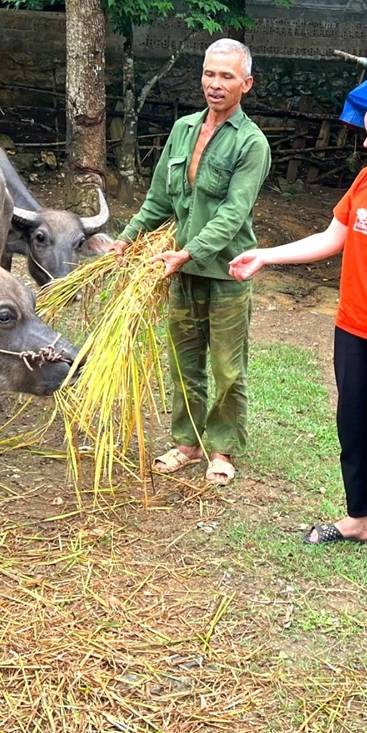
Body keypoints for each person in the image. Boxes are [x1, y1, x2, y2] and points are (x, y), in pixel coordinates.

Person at [229, 91, 367, 576]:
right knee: (352, 428)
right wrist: (266, 255)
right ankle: (358, 519)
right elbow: (332, 238)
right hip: (352, 328)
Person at [110, 39, 271, 487]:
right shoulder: (183, 129)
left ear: (246, 84)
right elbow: (160, 199)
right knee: (183, 362)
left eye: (227, 77)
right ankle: (186, 443)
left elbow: (233, 214)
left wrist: (188, 251)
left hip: (225, 272)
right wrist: (126, 239)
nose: (215, 85)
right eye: (209, 74)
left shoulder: (252, 144)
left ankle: (221, 448)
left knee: (226, 367)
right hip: (180, 271)